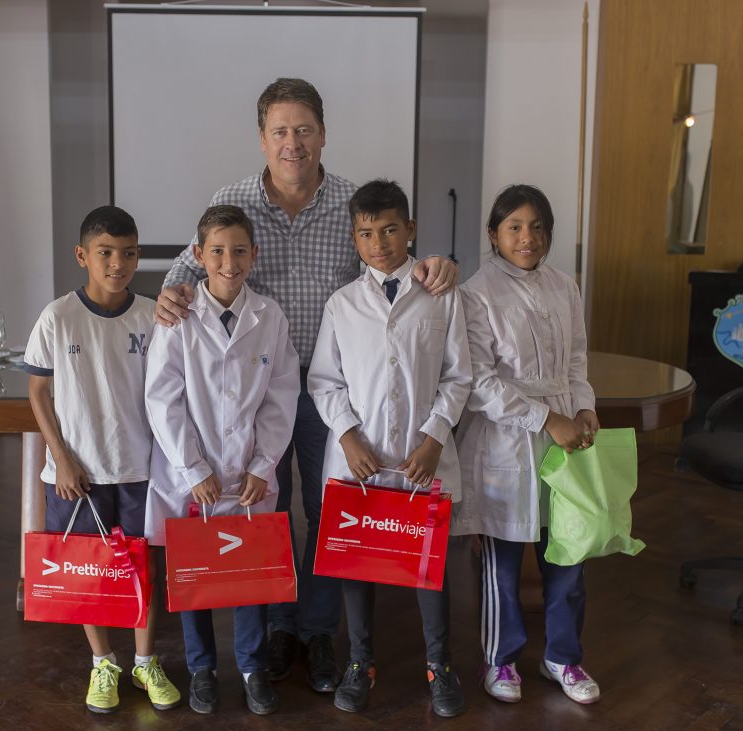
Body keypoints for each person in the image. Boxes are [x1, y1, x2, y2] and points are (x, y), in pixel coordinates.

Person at [155, 78, 459, 691]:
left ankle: (320, 635)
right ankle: (272, 632)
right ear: (262, 138)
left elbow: (401, 264)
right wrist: (168, 292)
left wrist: (439, 264)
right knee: (260, 511)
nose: (292, 143)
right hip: (246, 394)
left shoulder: (352, 204)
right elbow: (191, 271)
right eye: (280, 131)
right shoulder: (232, 197)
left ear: (322, 134)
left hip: (330, 394)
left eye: (304, 130)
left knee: (327, 514)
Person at [307, 180, 472, 717]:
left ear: (411, 231)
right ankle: (360, 661)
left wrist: (433, 438)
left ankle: (439, 663)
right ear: (355, 239)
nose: (378, 243)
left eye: (390, 230)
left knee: (429, 562)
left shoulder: (442, 298)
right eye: (366, 233)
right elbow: (324, 382)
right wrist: (349, 436)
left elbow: (458, 376)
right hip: (360, 460)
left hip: (422, 458)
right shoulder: (342, 304)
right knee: (356, 563)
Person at [23, 205, 181, 715]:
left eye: (129, 253)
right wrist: (61, 458)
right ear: (82, 256)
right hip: (78, 474)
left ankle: (143, 659)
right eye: (106, 253)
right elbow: (39, 395)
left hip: (138, 468)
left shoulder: (151, 315)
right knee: (87, 571)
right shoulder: (57, 316)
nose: (119, 263)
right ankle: (102, 663)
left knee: (141, 569)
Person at [143, 205, 300, 715]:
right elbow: (162, 397)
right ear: (197, 256)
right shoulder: (179, 318)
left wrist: (263, 464)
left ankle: (253, 668)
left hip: (250, 476)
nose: (228, 262)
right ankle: (202, 668)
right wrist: (194, 470)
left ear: (254, 255)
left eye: (238, 251)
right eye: (216, 251)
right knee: (196, 574)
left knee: (250, 574)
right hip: (191, 476)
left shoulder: (269, 317)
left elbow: (281, 396)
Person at [453, 184, 602, 705]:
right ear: (494, 234)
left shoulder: (566, 286)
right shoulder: (476, 293)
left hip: (565, 434)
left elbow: (577, 358)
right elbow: (479, 383)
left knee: (569, 550)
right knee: (503, 559)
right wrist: (547, 418)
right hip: (505, 440)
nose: (527, 237)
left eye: (537, 226)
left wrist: (583, 406)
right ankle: (501, 659)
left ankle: (563, 656)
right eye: (514, 226)